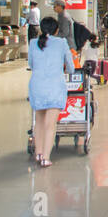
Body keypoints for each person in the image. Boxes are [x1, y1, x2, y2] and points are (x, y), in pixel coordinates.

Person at [28, 15, 74, 168]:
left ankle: (38, 153)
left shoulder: (33, 43)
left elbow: (31, 63)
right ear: (56, 30)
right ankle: (46, 157)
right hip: (54, 86)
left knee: (39, 122)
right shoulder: (61, 43)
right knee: (50, 124)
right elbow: (71, 66)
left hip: (37, 86)